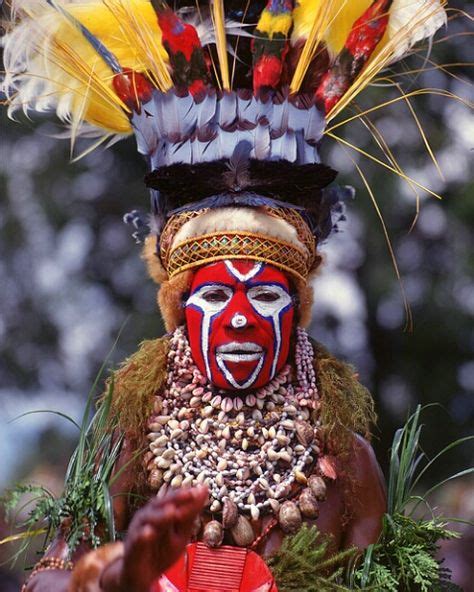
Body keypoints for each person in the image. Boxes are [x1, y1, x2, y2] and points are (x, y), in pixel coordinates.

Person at [2, 1, 448, 590]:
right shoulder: (132, 446)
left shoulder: (346, 464)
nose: (240, 320)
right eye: (214, 297)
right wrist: (118, 574)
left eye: (264, 297)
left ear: (298, 312)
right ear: (179, 312)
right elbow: (49, 580)